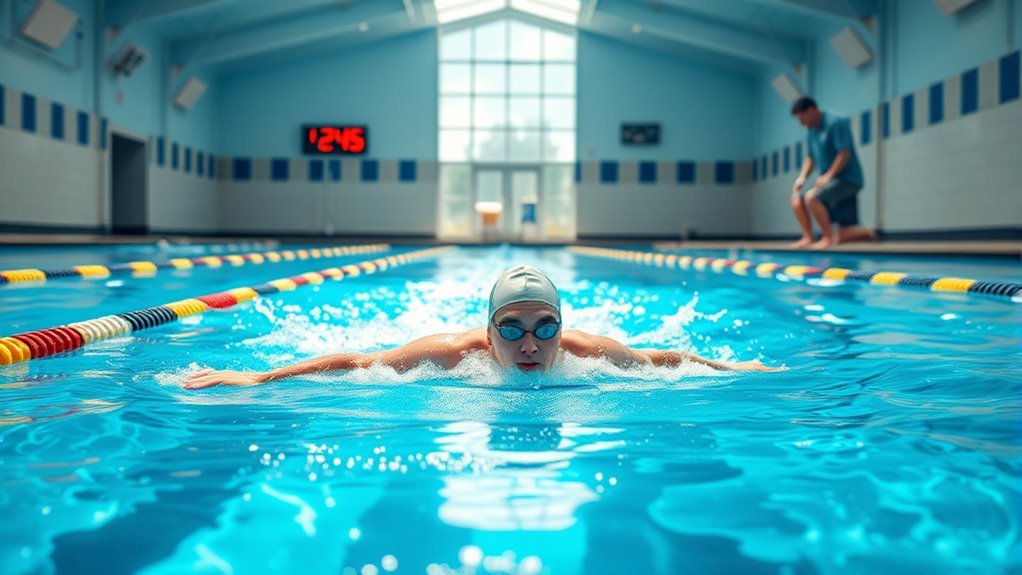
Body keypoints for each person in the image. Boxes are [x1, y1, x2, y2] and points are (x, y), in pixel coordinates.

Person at [183, 265, 777, 389]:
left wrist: (735, 367)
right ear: (487, 333)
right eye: (511, 329)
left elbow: (666, 358)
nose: (528, 344)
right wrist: (260, 377)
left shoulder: (586, 352)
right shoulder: (451, 355)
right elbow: (357, 360)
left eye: (546, 329)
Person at [789, 96, 876, 249]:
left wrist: (828, 176)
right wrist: (802, 177)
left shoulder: (835, 123)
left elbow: (844, 152)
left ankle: (828, 238)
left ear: (811, 110)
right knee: (797, 199)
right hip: (830, 182)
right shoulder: (811, 131)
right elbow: (810, 157)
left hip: (847, 179)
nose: (801, 123)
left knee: (811, 198)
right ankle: (809, 237)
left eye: (802, 118)